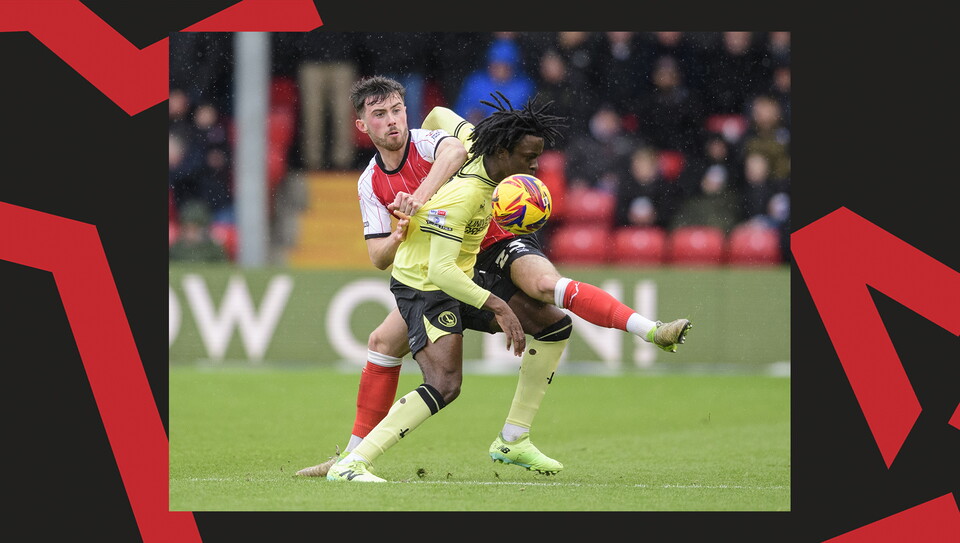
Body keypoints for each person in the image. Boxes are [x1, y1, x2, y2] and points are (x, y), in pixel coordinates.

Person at [296, 77, 692, 480]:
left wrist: (420, 199)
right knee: (386, 345)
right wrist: (401, 232)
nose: (393, 121)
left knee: (546, 297)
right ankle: (351, 457)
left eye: (397, 109)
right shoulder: (372, 182)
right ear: (362, 126)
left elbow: (450, 140)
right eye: (379, 115)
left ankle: (645, 333)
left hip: (491, 236)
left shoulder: (437, 142)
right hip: (442, 260)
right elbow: (380, 256)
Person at [453, 37, 536, 125]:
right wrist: (470, 114)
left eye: (505, 66)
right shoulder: (475, 82)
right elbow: (459, 111)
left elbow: (523, 118)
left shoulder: (524, 87)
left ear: (513, 66)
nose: (500, 70)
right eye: (496, 65)